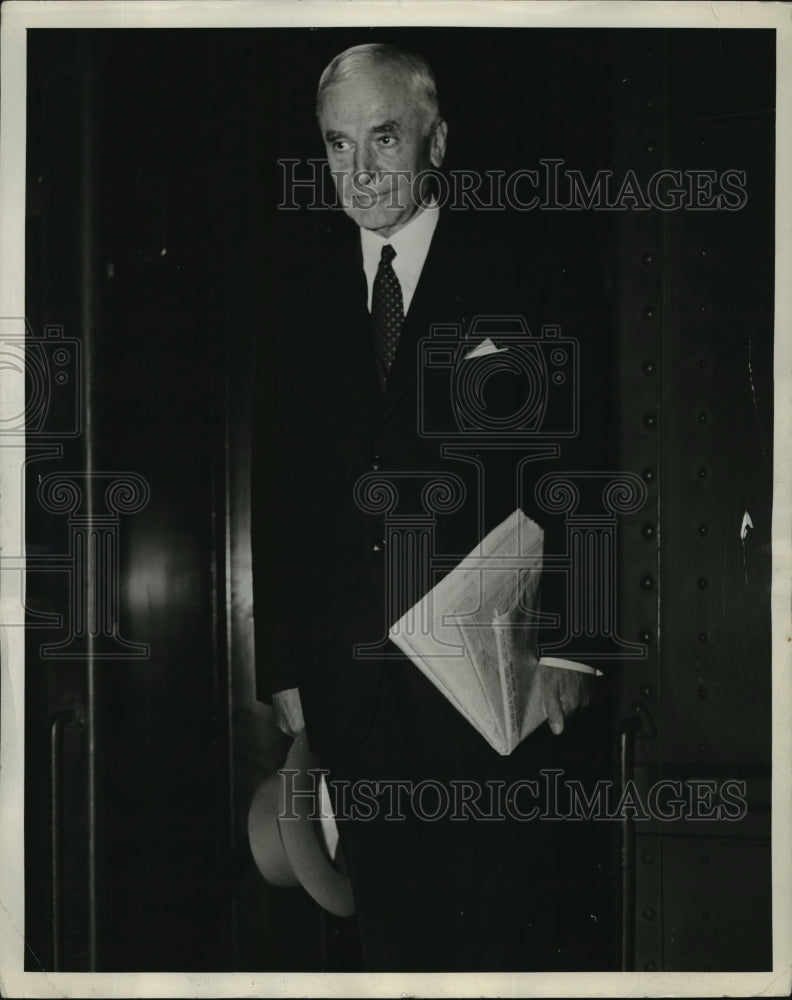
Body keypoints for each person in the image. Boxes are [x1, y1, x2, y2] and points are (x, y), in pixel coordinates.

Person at [251, 42, 594, 971]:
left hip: (484, 672)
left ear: (435, 141)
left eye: (383, 138)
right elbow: (279, 490)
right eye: (335, 146)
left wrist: (567, 644)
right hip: (348, 682)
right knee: (390, 936)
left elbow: (566, 463)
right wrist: (284, 664)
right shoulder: (296, 306)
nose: (358, 172)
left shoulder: (513, 273)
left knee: (490, 932)